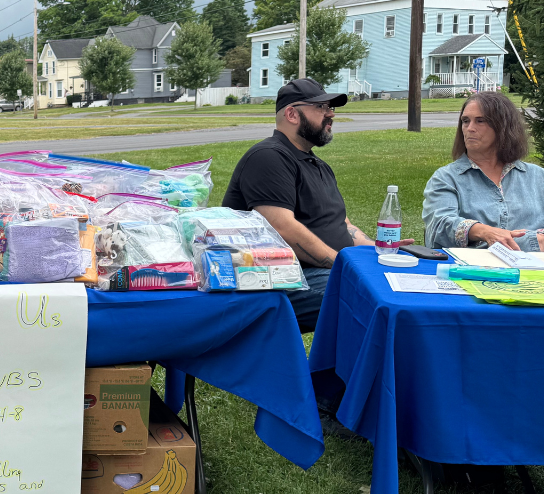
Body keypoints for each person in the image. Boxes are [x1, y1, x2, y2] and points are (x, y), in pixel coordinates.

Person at [221, 78, 411, 333]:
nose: (331, 114)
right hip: (281, 277)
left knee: (396, 282)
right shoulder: (268, 156)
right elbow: (282, 228)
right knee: (375, 297)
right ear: (292, 114)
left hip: (322, 272)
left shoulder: (317, 165)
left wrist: (380, 252)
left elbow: (342, 225)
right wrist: (347, 265)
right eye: (321, 107)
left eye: (330, 107)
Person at [423, 91, 544, 251]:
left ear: (503, 126)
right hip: (471, 266)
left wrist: (479, 241)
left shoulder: (537, 177)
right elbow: (439, 228)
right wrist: (486, 233)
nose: (470, 128)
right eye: (465, 121)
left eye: (480, 121)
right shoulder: (446, 178)